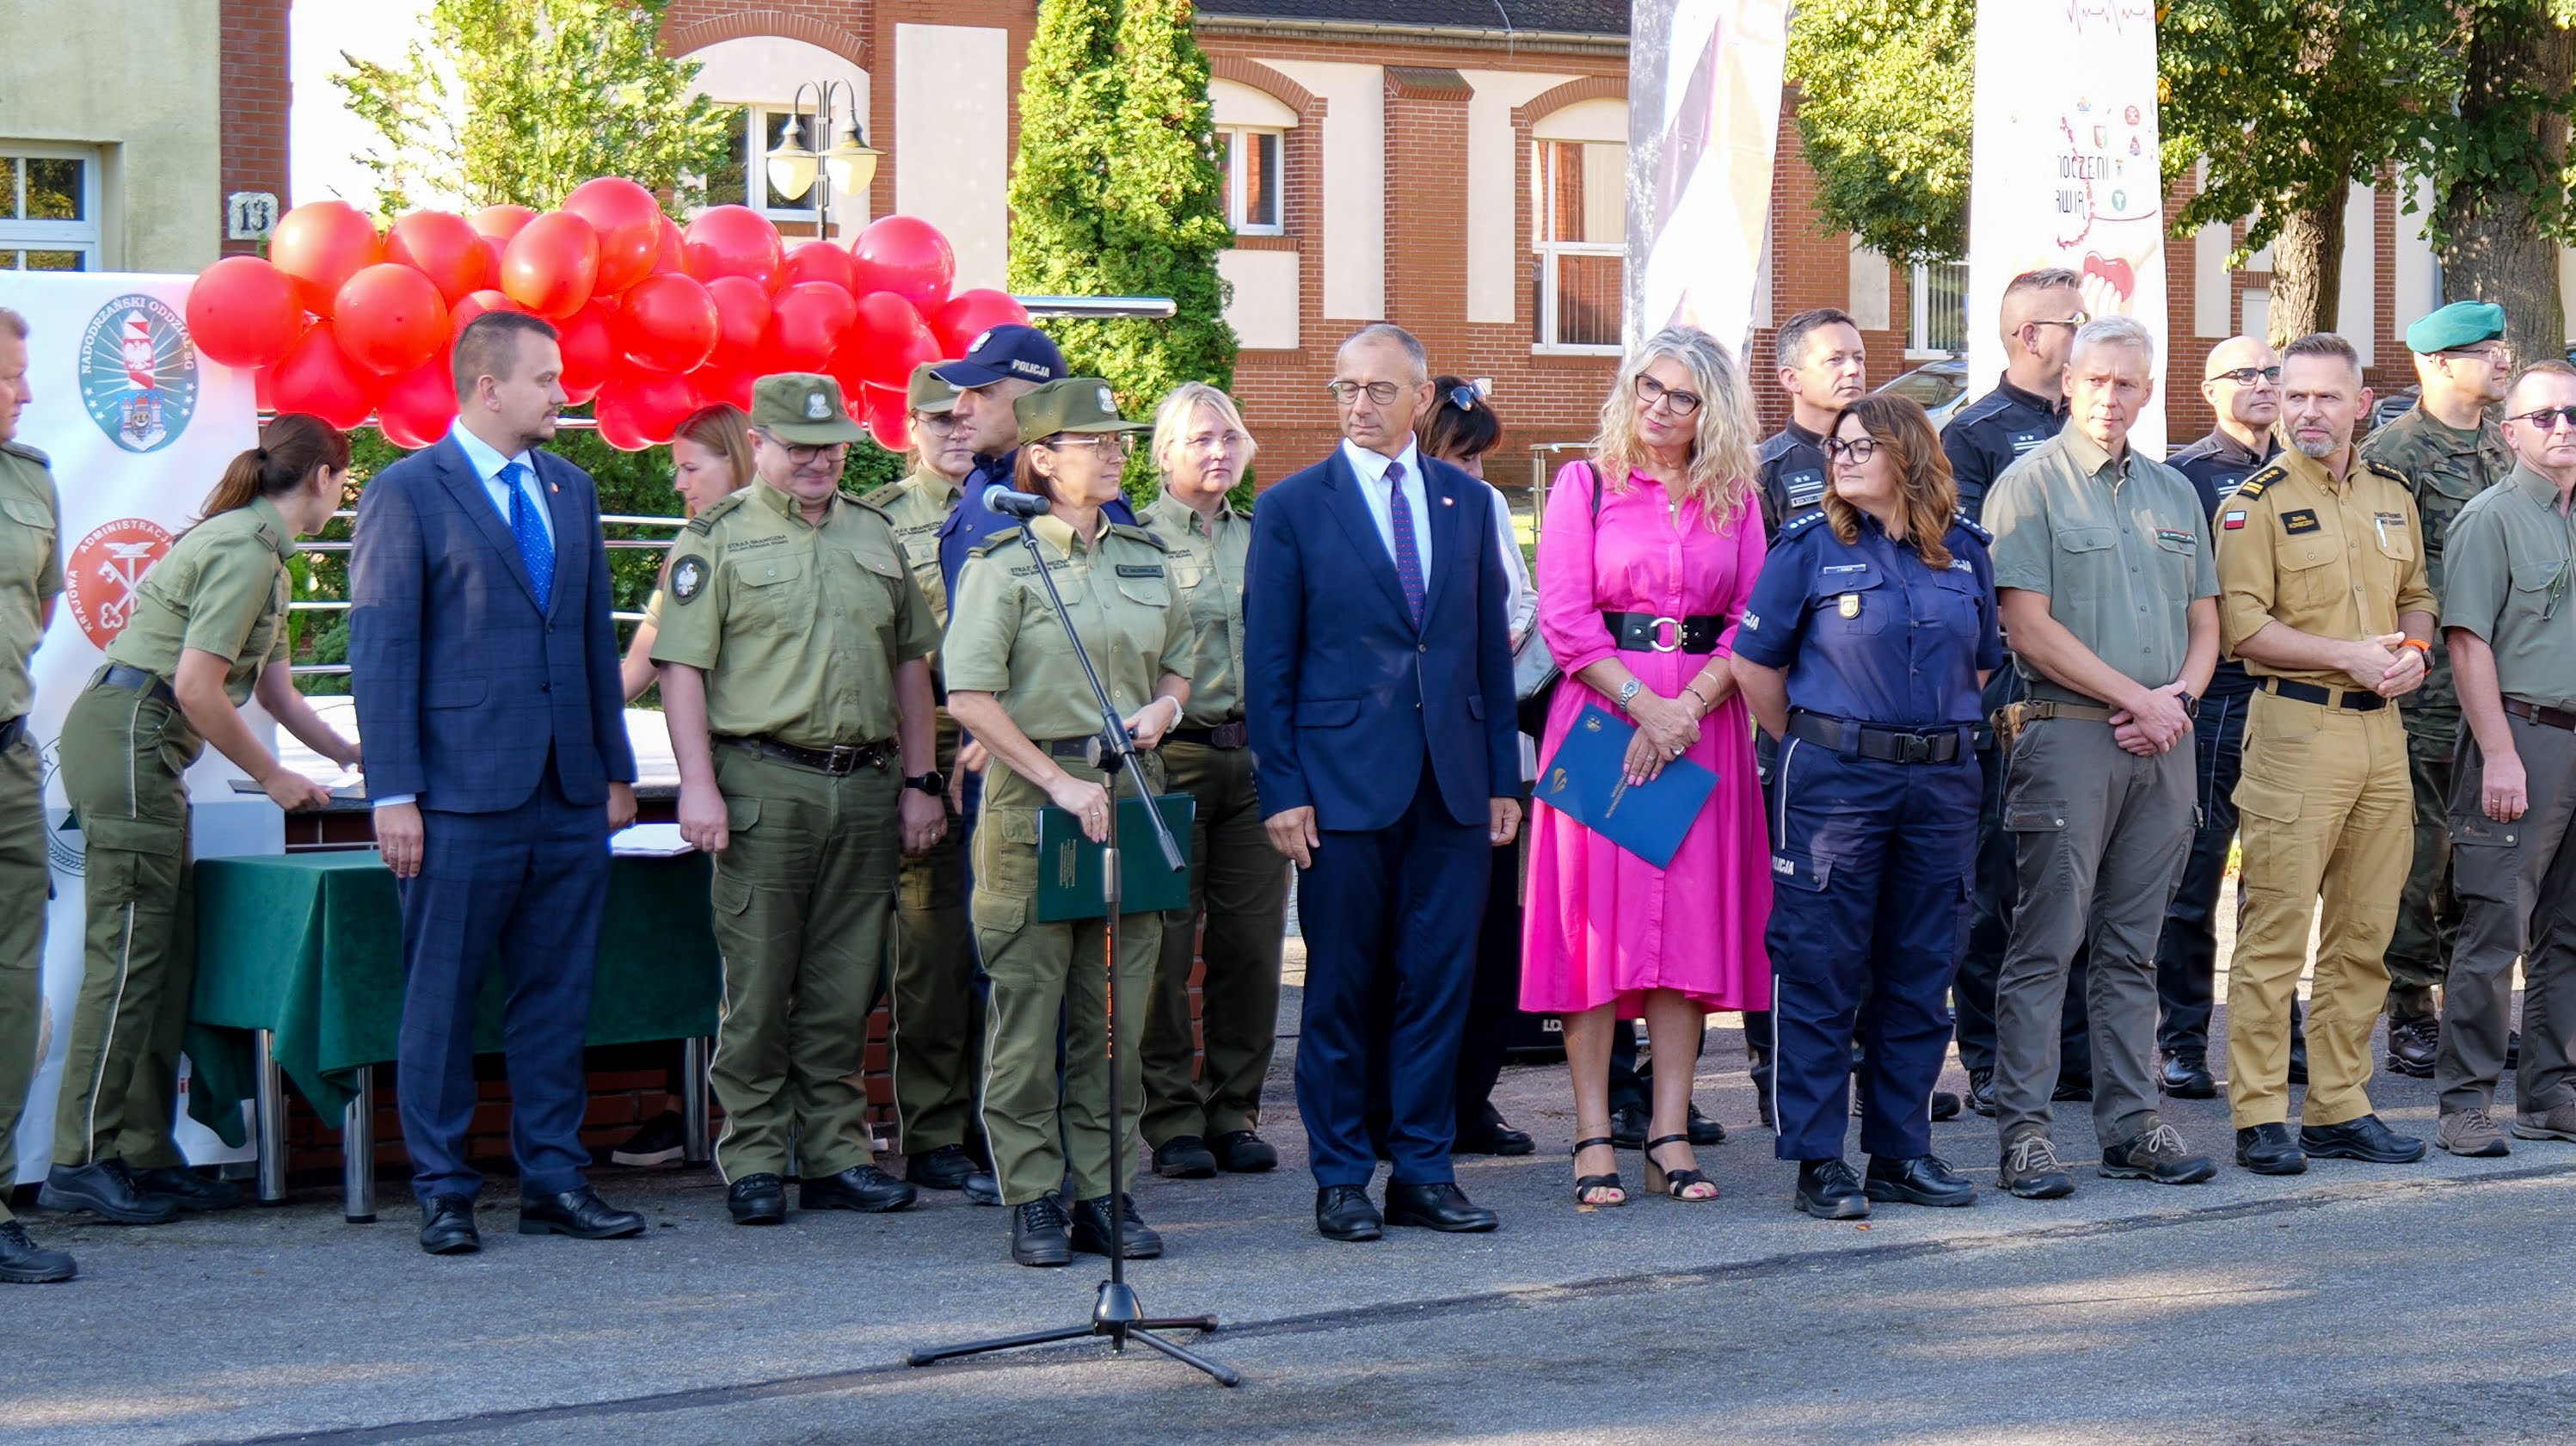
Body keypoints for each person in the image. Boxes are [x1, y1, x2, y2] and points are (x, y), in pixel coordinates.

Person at [350, 311, 643, 1256]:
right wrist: (393, 793)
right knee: (440, 998)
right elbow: (382, 650)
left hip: (567, 793)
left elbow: (591, 640)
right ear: (488, 387)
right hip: (456, 797)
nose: (564, 394)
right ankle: (443, 1188)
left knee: (557, 995)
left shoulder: (570, 488)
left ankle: (554, 1178)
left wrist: (614, 769)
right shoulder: (407, 490)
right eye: (546, 378)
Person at [44, 414, 360, 1228]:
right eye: (344, 480)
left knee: (165, 955)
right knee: (129, 958)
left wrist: (351, 754)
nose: (343, 493)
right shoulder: (244, 549)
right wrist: (274, 776)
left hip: (145, 744)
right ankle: (80, 1159)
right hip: (132, 734)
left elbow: (277, 692)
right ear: (322, 476)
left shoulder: (269, 554)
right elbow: (194, 687)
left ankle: (142, 1153)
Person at [1245, 323, 1521, 1243]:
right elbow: (1269, 663)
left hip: (1452, 786)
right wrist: (1282, 788)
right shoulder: (1291, 507)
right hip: (1339, 788)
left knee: (1438, 985)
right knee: (1340, 988)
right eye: (1345, 388)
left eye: (1377, 389)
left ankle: (1424, 1170)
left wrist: (1499, 777)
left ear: (1419, 399)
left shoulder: (1464, 502)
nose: (1357, 405)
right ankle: (1339, 1176)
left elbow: (1485, 651)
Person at [653, 375, 944, 1225]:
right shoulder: (714, 539)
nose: (819, 461)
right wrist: (698, 783)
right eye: (800, 446)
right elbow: (681, 671)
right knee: (759, 984)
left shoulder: (873, 533)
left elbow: (910, 665)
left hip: (867, 784)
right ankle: (751, 1156)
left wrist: (921, 780)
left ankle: (835, 1154)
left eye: (832, 447)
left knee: (846, 985)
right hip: (763, 784)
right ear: (760, 444)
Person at [943, 378, 1196, 1267]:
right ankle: (1031, 1196)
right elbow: (969, 695)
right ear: (1043, 459)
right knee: (1027, 1018)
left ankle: (1103, 1191)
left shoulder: (1143, 555)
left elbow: (1179, 664)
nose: (1115, 452)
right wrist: (1055, 781)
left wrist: (1166, 708)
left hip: (1130, 792)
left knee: (1113, 1021)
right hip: (1036, 803)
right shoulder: (1002, 563)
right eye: (1095, 441)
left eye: (1119, 439)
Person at [1731, 393, 1998, 1218]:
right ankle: (1819, 1158)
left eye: (1859, 446)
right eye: (1835, 447)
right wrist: (1824, 741)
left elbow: (1979, 665)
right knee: (1821, 965)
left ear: (1907, 455)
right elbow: (1754, 667)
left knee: (1921, 968)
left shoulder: (1964, 551)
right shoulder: (1808, 546)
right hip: (1835, 784)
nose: (1840, 459)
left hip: (1940, 783)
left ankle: (1899, 1151)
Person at [1523, 325, 1770, 1209]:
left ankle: (1669, 1131)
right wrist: (1645, 707)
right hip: (1602, 722)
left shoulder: (1734, 499)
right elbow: (1564, 617)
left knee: (1686, 933)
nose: (1660, 408)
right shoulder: (1583, 485)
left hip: (1705, 723)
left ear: (1714, 410)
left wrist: (1686, 708)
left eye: (1683, 396)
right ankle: (1593, 1130)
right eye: (1649, 388)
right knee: (1593, 932)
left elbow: (1751, 618)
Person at [1982, 315, 2221, 1198]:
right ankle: (2025, 1134)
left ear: (2147, 391)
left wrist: (2177, 702)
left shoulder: (2172, 492)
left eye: (2126, 383)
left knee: (2132, 946)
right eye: (2094, 381)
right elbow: (2026, 626)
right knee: (2046, 942)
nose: (2109, 397)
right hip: (2070, 734)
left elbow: (2205, 620)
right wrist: (2139, 699)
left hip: (2165, 737)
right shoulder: (2029, 485)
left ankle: (2132, 1125)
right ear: (2066, 385)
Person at [2216, 331, 2436, 1175]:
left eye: (2325, 396)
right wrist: (2347, 656)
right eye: (2294, 394)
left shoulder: (2390, 494)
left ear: (2359, 405)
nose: (2308, 411)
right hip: (2295, 731)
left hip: (2382, 735)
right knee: (2274, 935)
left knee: (2364, 932)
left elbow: (2416, 594)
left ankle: (2340, 1106)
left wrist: (2413, 653)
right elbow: (2242, 627)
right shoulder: (2254, 504)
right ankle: (2259, 1113)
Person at [1134, 382, 1292, 1180]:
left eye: (1229, 437)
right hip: (1170, 760)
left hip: (1256, 762)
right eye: (1200, 439)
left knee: (1252, 950)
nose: (1219, 452)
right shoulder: (1131, 540)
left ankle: (1234, 1112)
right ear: (1164, 453)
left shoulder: (1265, 536)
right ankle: (1171, 1119)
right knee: (1161, 949)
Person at [1945, 268, 2088, 1117]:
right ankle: (1991, 1056)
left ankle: (2073, 1052)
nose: (2085, 330)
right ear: (2030, 336)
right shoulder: (1972, 435)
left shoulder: (2093, 424)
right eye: (2074, 321)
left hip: (2092, 672)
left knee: (2076, 872)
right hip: (2009, 676)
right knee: (1998, 876)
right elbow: (1973, 558)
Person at [2359, 301, 2515, 1079]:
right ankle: (2410, 1011)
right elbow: (2380, 573)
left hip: (2497, 687)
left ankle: (2469, 1009)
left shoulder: (2505, 443)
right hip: (2422, 693)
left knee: (2482, 859)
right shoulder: (2392, 453)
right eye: (2484, 350)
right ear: (2437, 361)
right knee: (2418, 858)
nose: (2501, 359)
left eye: (2501, 347)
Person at [2425, 360, 2576, 1156]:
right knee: (2493, 927)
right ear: (2509, 432)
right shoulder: (2490, 517)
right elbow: (2465, 642)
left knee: (2569, 927)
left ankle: (2550, 1093)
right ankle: (2464, 1103)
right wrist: (2498, 753)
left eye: (2573, 414)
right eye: (2543, 416)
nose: (2562, 428)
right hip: (2521, 735)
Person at [2156, 337, 2306, 1098]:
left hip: (2293, 694)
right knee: (2197, 874)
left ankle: (2277, 1034)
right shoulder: (2181, 477)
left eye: (2271, 372)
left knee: (2280, 879)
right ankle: (2182, 1040)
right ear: (2208, 390)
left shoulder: (2303, 470)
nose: (2261, 385)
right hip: (2215, 694)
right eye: (2242, 374)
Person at [858, 362, 988, 1195]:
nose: (955, 429)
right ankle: (936, 1127)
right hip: (928, 733)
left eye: (965, 415)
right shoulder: (878, 519)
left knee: (1006, 942)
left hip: (1011, 738)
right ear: (909, 428)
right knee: (932, 945)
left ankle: (998, 1120)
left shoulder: (1015, 501)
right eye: (937, 418)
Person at [1415, 376, 1542, 1160]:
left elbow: (1519, 602)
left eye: (1480, 460)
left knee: (1494, 932)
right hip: (1413, 750)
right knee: (1421, 938)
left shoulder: (1486, 506)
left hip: (1490, 741)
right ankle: (1407, 1102)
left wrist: (1498, 637)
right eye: (1460, 457)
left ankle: (1470, 1097)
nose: (1474, 473)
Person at [0, 308, 71, 1283]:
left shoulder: (31, 476)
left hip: (9, 757)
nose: (25, 392)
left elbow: (42, 608)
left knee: (12, 992)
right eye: (8, 377)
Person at [931, 324, 1137, 606]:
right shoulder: (982, 479)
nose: (959, 408)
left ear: (1035, 399)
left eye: (980, 392)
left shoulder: (1077, 492)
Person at [618, 404, 753, 703]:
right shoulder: (693, 543)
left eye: (691, 469)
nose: (680, 484)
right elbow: (644, 658)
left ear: (735, 461)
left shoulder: (792, 532)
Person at [1757, 307, 1867, 535]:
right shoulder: (1763, 471)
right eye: (1835, 360)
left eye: (1859, 358)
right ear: (1791, 378)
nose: (1854, 369)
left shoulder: (1890, 455)